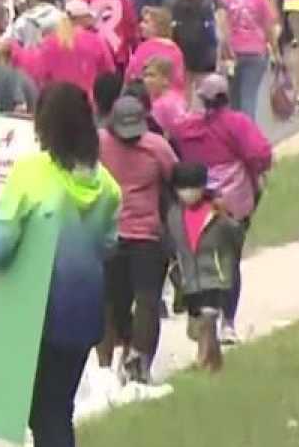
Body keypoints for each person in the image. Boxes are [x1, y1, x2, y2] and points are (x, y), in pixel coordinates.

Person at [0, 82, 121, 447]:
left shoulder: (32, 173)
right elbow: (108, 245)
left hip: (36, 307)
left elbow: (0, 245)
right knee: (57, 408)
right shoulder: (107, 185)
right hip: (84, 309)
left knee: (45, 413)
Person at [168, 74, 272, 345]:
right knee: (229, 260)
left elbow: (172, 149)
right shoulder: (237, 123)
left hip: (196, 202)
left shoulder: (184, 128)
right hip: (234, 202)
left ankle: (198, 311)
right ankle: (227, 321)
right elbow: (260, 154)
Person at [96, 95, 176, 383]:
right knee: (146, 301)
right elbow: (175, 178)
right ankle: (138, 360)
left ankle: (105, 365)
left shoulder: (98, 143)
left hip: (111, 235)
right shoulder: (157, 147)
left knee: (108, 302)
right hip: (144, 236)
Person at [164, 161, 244, 372]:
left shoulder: (215, 212)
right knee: (196, 327)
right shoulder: (173, 215)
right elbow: (170, 243)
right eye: (183, 188)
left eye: (193, 187)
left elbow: (236, 236)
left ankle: (203, 361)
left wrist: (227, 217)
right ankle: (213, 358)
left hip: (213, 274)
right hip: (188, 278)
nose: (188, 193)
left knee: (209, 317)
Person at [219, 0, 278, 120]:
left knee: (233, 98)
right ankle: (248, 134)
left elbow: (223, 24)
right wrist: (275, 50)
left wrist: (224, 48)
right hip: (255, 50)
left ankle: (233, 135)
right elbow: (268, 25)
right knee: (249, 96)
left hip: (233, 51)